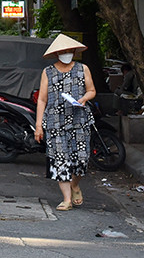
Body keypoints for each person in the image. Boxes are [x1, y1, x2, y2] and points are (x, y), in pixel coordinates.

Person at [33, 33, 97, 211]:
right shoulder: (48, 72)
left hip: (79, 120)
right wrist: (39, 125)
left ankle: (75, 185)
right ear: (56, 54)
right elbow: (42, 100)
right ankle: (66, 199)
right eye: (64, 51)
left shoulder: (82, 69)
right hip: (55, 122)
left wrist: (84, 98)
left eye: (70, 50)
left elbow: (92, 90)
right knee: (61, 160)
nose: (67, 53)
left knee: (82, 160)